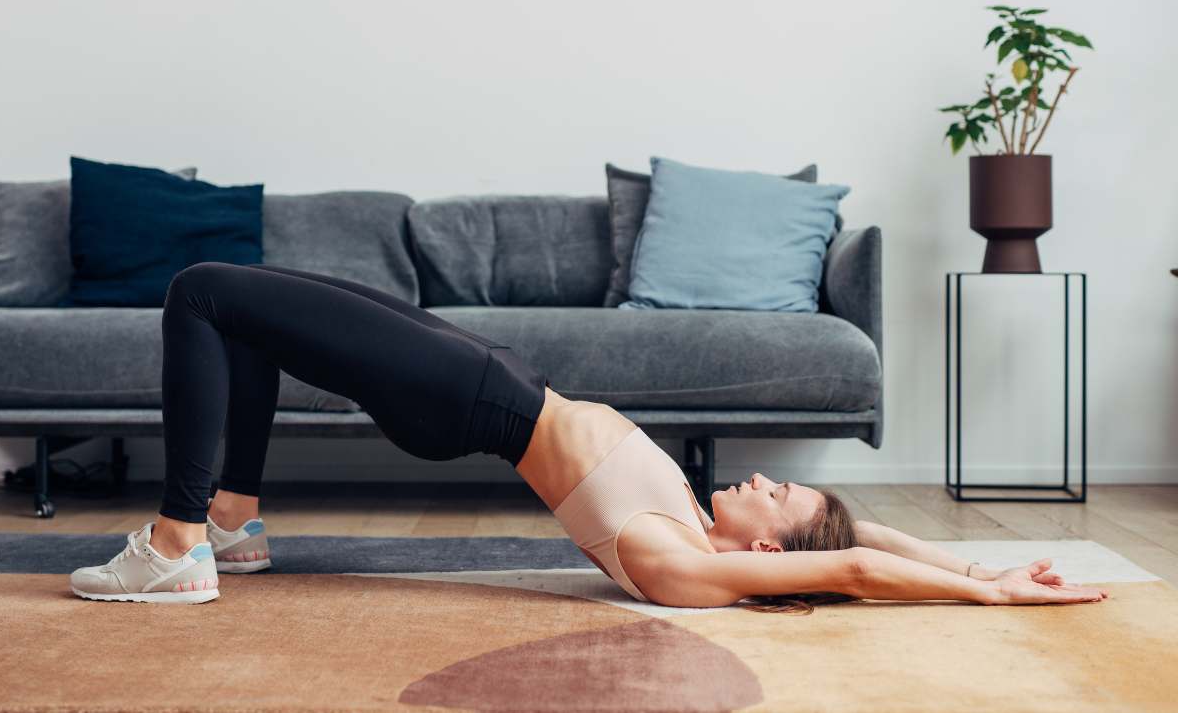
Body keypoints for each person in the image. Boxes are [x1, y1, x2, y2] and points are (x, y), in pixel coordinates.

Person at [69, 262, 1109, 610]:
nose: (758, 480)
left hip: (467, 398)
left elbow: (851, 571)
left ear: (763, 551)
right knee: (241, 308)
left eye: (776, 498)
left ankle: (175, 547)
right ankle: (231, 524)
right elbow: (866, 542)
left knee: (199, 294)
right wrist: (979, 557)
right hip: (485, 384)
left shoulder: (679, 569)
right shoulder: (706, 540)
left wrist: (988, 597)